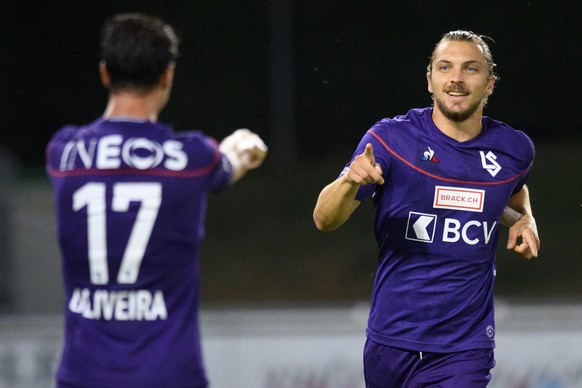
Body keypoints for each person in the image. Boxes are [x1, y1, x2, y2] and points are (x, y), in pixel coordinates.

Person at [46, 13, 267, 388]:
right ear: (167, 76)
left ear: (104, 73)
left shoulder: (64, 153)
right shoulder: (192, 158)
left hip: (84, 374)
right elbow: (232, 160)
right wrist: (247, 143)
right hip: (168, 374)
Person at [313, 30, 540, 387]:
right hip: (391, 341)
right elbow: (324, 219)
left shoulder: (513, 150)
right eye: (445, 67)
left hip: (465, 347)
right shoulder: (390, 139)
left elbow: (510, 193)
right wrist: (349, 182)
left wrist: (523, 217)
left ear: (490, 83)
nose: (457, 79)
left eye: (471, 69)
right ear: (430, 80)